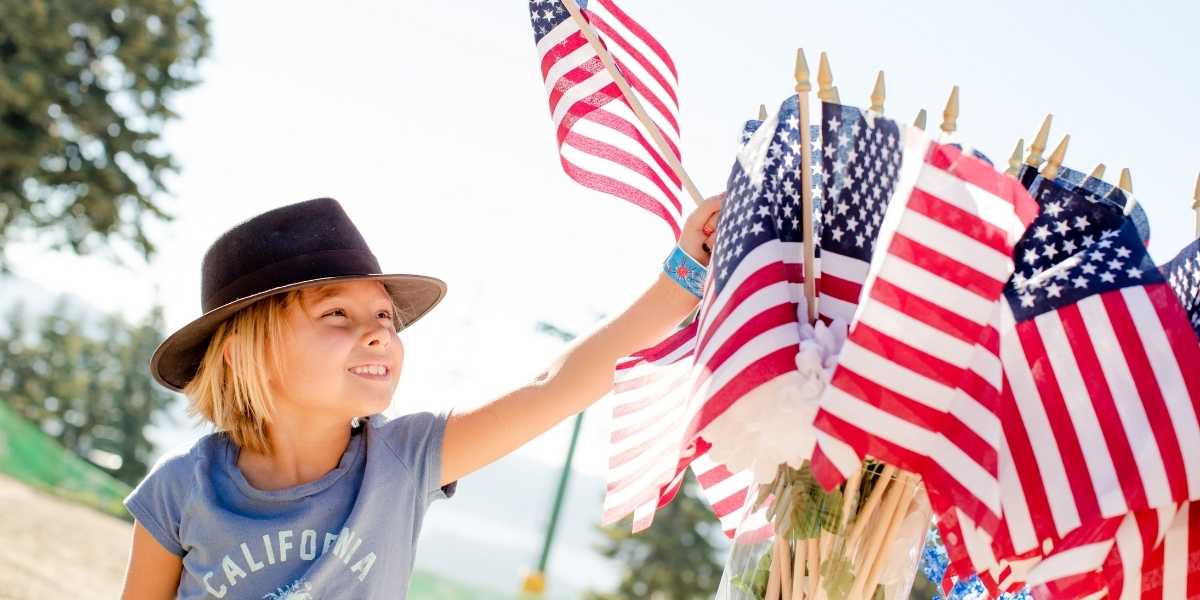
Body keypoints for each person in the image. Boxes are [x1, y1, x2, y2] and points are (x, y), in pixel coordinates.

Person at [120, 195, 722, 599]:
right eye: (336, 313)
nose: (380, 330)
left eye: (384, 313)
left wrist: (684, 275)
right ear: (245, 352)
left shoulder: (404, 461)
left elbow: (555, 386)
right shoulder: (180, 488)